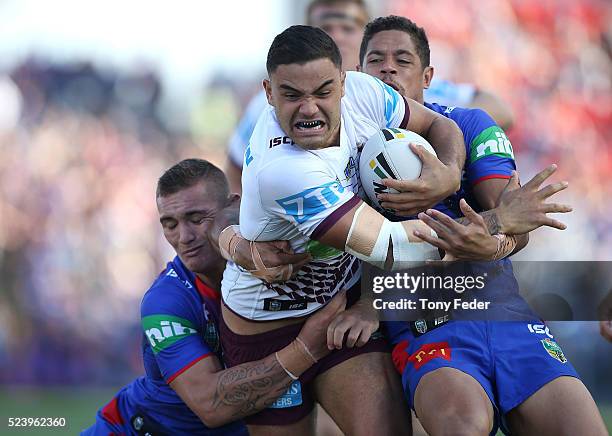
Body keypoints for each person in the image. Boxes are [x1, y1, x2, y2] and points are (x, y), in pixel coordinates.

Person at [217, 25, 574, 436]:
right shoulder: (283, 171)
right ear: (268, 92)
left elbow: (442, 126)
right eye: (292, 95)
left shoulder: (367, 93)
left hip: (340, 308)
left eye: (322, 91)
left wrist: (446, 175)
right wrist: (498, 222)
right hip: (266, 324)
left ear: (345, 81)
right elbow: (390, 248)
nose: (309, 109)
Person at [357, 16, 608, 436]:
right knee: (463, 427)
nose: (388, 69)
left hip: (505, 313)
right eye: (375, 60)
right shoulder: (343, 150)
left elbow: (518, 226)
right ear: (359, 73)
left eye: (402, 59)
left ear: (428, 76)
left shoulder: (471, 124)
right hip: (425, 323)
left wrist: (491, 244)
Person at [81, 158, 348, 435]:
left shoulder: (279, 260)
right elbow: (210, 405)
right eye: (170, 224)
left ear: (233, 207)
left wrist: (365, 306)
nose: (184, 237)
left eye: (196, 219)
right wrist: (307, 349)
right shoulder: (166, 301)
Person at [225, 0, 514, 194]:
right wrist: (240, 239)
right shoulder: (274, 108)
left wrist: (436, 130)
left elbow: (497, 112)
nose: (337, 36)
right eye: (325, 28)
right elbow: (238, 173)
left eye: (347, 27)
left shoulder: (414, 89)